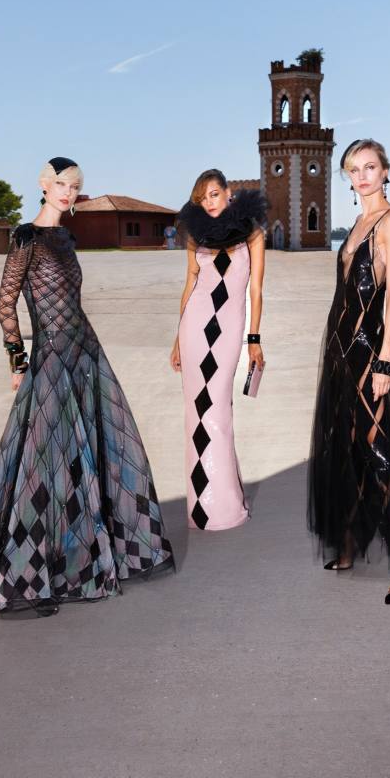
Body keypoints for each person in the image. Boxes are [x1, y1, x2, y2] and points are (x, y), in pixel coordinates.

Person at [0, 157, 173, 615]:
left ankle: (83, 558)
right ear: (42, 184)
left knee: (93, 450)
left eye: (75, 186)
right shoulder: (26, 237)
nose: (68, 192)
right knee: (44, 461)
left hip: (85, 351)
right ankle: (32, 573)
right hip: (51, 356)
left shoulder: (67, 238)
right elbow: (4, 303)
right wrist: (17, 359)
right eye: (61, 183)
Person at [308, 139, 390, 604]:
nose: (362, 176)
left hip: (367, 350)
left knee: (378, 448)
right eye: (354, 169)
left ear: (386, 171)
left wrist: (385, 359)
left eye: (370, 167)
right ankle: (351, 540)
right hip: (339, 347)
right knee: (344, 445)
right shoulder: (358, 222)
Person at [171, 171, 267, 531]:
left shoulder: (252, 231)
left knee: (217, 410)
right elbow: (190, 284)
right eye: (203, 197)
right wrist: (176, 339)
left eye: (215, 194)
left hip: (228, 330)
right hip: (194, 325)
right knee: (195, 414)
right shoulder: (197, 234)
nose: (210, 202)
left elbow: (256, 290)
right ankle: (201, 509)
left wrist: (254, 339)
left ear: (228, 193)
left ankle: (225, 507)